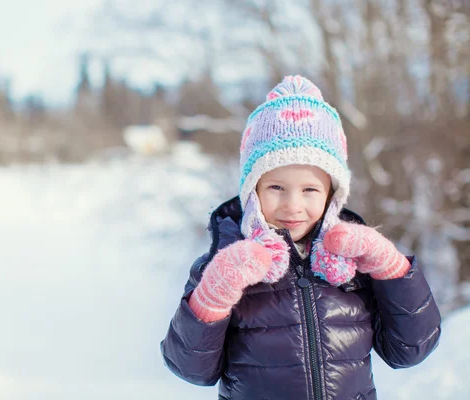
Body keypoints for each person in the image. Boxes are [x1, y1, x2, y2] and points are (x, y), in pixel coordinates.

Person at [160, 75, 441, 400]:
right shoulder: (225, 262)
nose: (293, 205)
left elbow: (410, 351)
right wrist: (213, 296)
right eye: (276, 187)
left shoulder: (354, 263)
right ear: (252, 191)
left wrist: (391, 268)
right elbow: (190, 369)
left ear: (332, 195)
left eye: (310, 190)